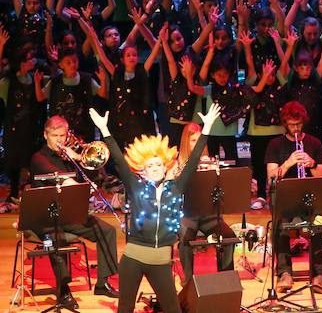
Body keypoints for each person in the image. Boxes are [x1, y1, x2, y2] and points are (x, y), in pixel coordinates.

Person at [88, 103, 221, 313]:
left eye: (158, 164)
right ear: (143, 170)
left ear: (166, 165)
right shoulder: (135, 186)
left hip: (161, 261)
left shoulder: (176, 187)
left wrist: (207, 128)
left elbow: (194, 159)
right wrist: (105, 130)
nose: (155, 169)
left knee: (173, 309)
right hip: (133, 260)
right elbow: (119, 161)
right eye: (150, 166)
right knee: (125, 309)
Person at [28, 115, 120, 308]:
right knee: (55, 239)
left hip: (68, 214)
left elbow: (87, 175)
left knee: (107, 231)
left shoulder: (68, 158)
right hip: (44, 218)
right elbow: (63, 179)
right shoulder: (38, 158)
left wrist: (79, 157)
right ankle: (63, 291)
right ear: (46, 135)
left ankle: (103, 283)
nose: (60, 140)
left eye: (62, 135)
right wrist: (78, 181)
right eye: (55, 136)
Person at [263, 101, 322, 292]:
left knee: (318, 222)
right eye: (292, 125)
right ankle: (285, 273)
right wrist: (290, 162)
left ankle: (318, 274)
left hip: (309, 196)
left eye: (299, 124)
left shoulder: (314, 143)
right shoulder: (275, 144)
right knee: (279, 224)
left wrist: (312, 163)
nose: (296, 128)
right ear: (285, 123)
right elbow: (271, 177)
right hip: (285, 197)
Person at [174, 122, 236, 288]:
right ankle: (188, 279)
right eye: (193, 140)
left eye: (199, 140)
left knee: (229, 236)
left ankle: (227, 278)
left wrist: (214, 173)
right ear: (186, 142)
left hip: (208, 214)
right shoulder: (177, 163)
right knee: (186, 238)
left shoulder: (210, 161)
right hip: (187, 214)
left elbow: (221, 193)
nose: (196, 144)